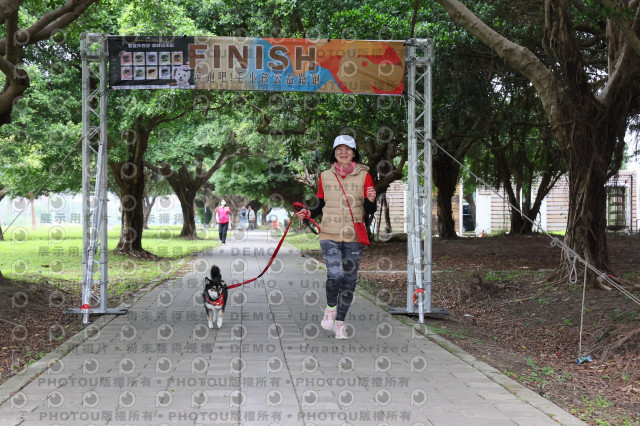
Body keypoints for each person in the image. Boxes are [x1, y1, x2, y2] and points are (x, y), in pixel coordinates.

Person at [295, 135, 376, 339]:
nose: (343, 152)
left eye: (347, 149)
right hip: (329, 234)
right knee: (336, 275)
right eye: (339, 149)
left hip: (353, 236)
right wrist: (308, 212)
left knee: (349, 280)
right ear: (334, 153)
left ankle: (340, 323)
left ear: (354, 153)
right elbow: (321, 203)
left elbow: (369, 210)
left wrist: (371, 200)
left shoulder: (365, 176)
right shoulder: (325, 176)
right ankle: (330, 309)